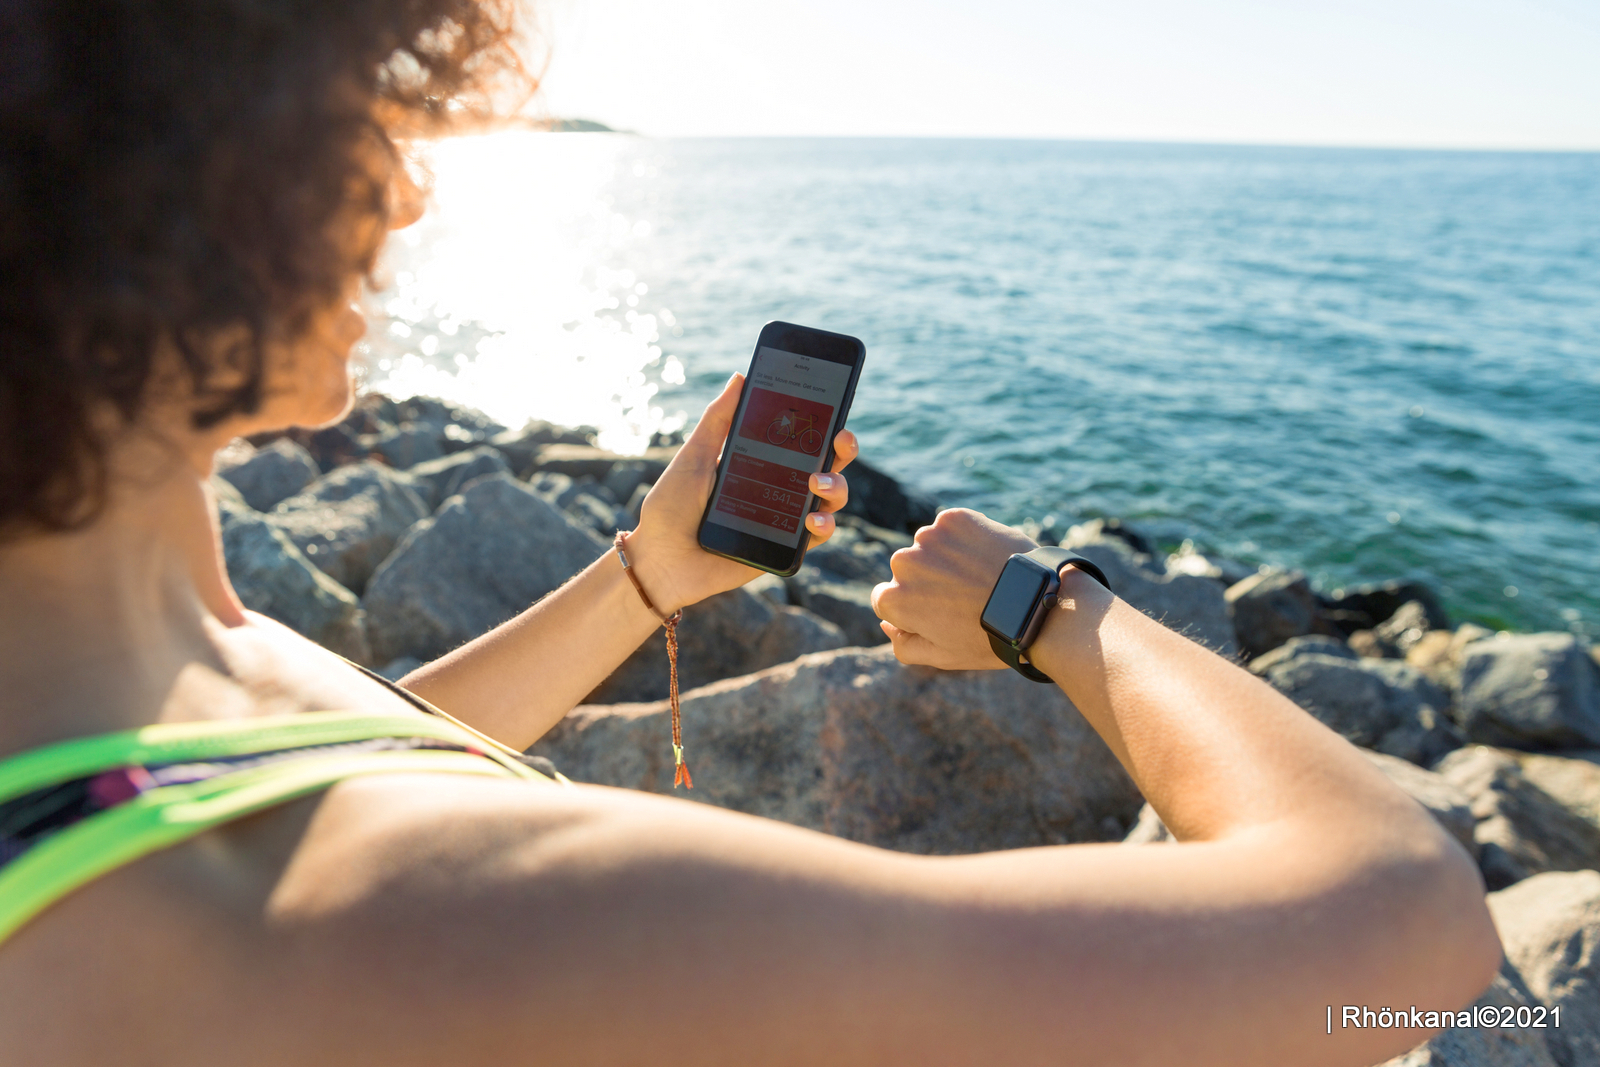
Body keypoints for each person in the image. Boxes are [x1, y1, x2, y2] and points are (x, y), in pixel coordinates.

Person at [0, 2, 1499, 1064]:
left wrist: (649, 574)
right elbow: (1402, 921)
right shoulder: (457, 925)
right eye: (353, 110)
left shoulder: (108, 705)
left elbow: (312, 759)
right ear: (160, 173)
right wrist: (1053, 612)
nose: (402, 182)